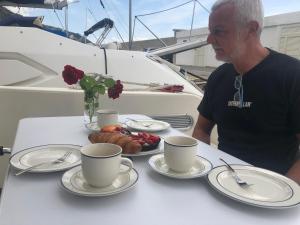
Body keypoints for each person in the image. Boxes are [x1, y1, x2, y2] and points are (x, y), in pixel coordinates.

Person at [192, 0, 300, 184]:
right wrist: (202, 168)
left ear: (251, 29)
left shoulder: (292, 76)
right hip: (221, 180)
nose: (210, 40)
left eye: (218, 31)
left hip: (274, 188)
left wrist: (285, 192)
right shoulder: (218, 77)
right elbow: (201, 129)